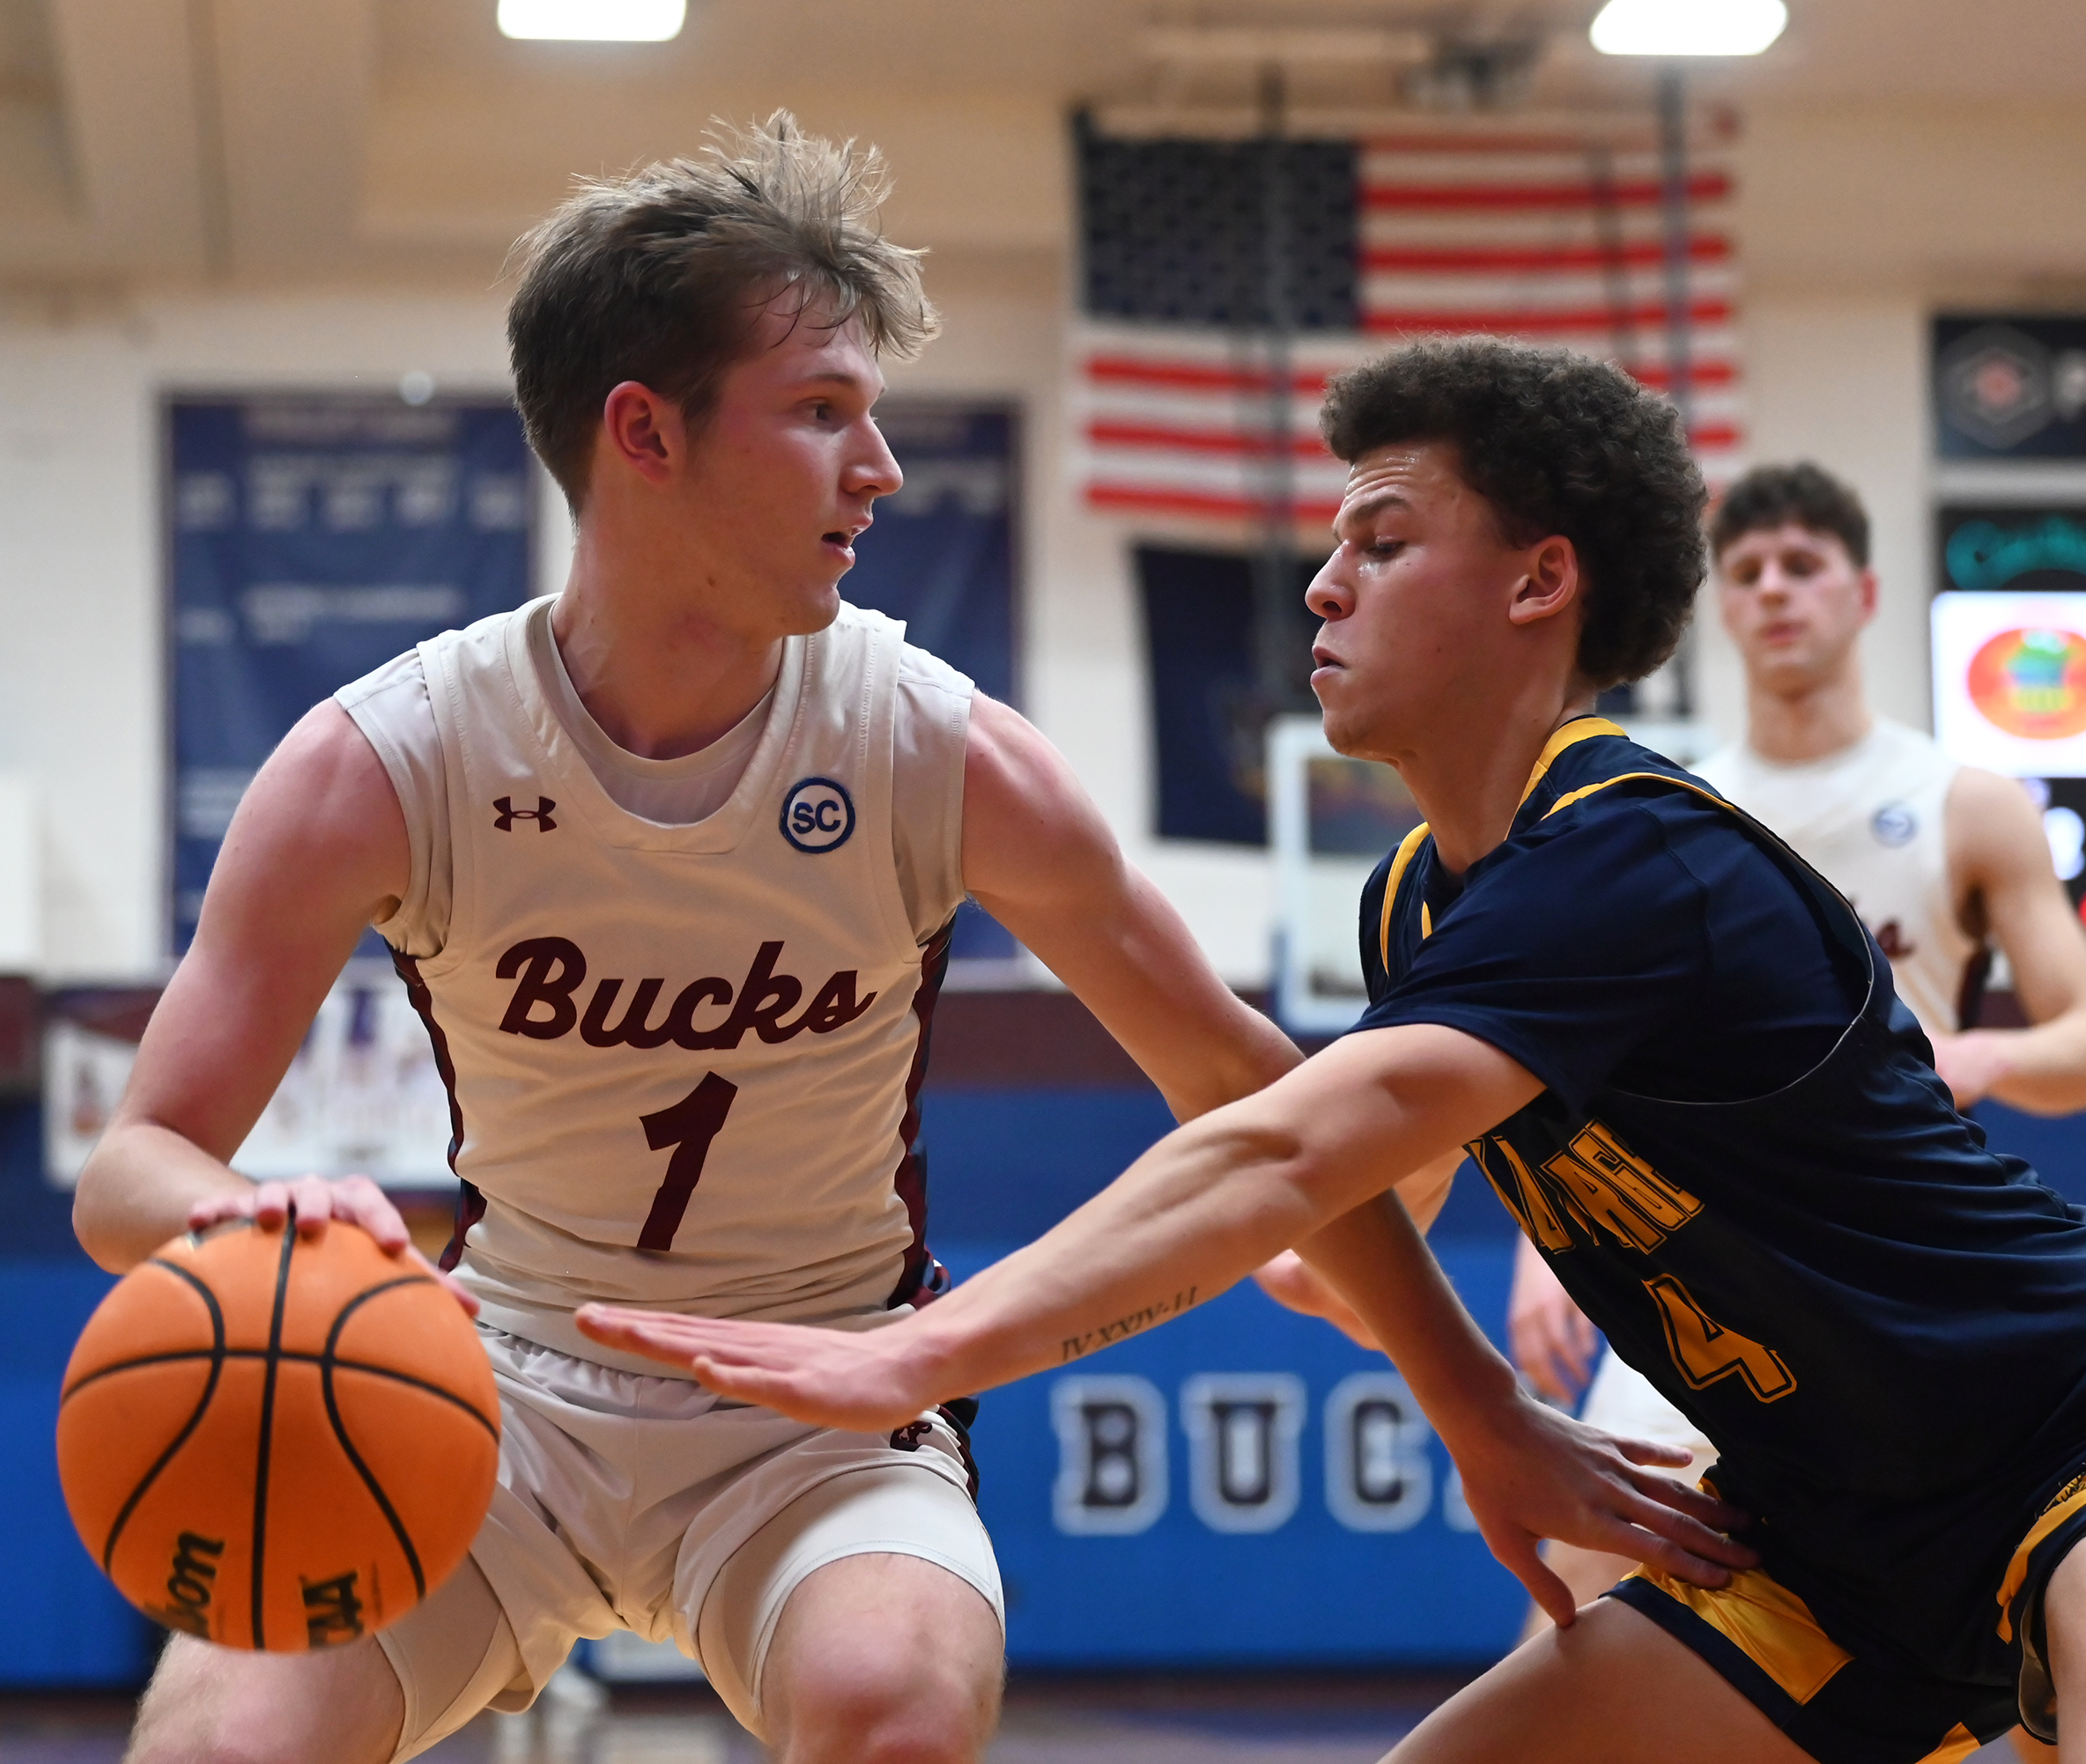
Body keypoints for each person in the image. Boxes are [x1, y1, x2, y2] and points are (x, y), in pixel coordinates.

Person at [583, 336, 2086, 1764]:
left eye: (1384, 539)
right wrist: (1396, 1330)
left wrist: (925, 1346)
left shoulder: (1634, 851)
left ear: (1539, 581)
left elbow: (1277, 1147)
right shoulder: (1426, 895)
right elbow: (1338, 1206)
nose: (1324, 587)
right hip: (1816, 1537)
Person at [72, 117, 1303, 1764]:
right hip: (489, 1392)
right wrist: (250, 1210)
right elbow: (128, 1168)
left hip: (829, 1403)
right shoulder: (390, 756)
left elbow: (1269, 1108)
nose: (883, 471)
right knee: (216, 1743)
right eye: (821, 415)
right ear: (642, 433)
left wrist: (1441, 1319)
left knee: (896, 1709)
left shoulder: (934, 747)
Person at [1501, 461, 2086, 1622]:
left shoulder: (1969, 801)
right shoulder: (1665, 807)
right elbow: (1589, 1064)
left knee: (2025, 1604)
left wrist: (1981, 1056)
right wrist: (1546, 1248)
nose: (1776, 589)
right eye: (1747, 571)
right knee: (1586, 1585)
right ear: (1721, 608)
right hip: (1706, 1257)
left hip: (1910, 1249)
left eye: (1804, 565)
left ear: (1865, 591)